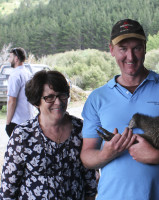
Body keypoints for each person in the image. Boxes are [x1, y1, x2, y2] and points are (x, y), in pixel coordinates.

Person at [80, 18, 159, 200]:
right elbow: (87, 156)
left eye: (136, 47)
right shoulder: (97, 98)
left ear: (145, 47)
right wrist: (107, 153)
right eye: (123, 49)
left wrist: (158, 156)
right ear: (111, 50)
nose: (130, 57)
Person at [0, 70, 98, 199]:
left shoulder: (81, 129)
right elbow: (8, 188)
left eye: (62, 95)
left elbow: (90, 181)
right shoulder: (23, 135)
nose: (58, 102)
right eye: (50, 97)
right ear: (37, 101)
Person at [5, 47, 34, 137]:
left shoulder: (15, 75)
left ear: (16, 58)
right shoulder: (28, 73)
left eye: (10, 57)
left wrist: (8, 122)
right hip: (29, 119)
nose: (9, 60)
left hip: (17, 121)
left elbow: (12, 100)